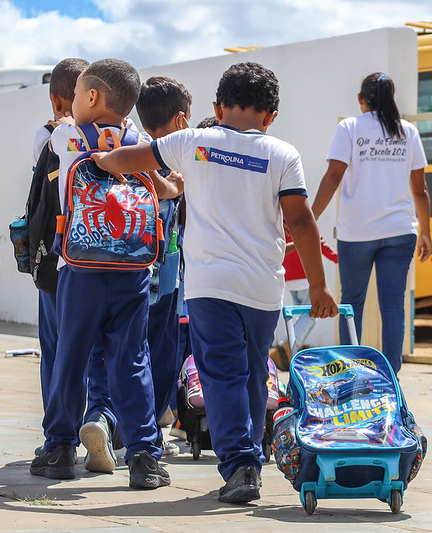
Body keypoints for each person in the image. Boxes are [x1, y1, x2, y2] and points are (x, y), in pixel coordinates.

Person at [91, 61, 339, 504]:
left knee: (220, 372)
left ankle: (241, 464)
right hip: (263, 288)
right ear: (271, 116)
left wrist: (103, 160)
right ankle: (249, 454)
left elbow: (136, 158)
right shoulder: (283, 154)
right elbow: (301, 221)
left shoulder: (194, 141)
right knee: (251, 371)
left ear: (217, 106)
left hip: (209, 286)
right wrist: (319, 287)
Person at [30, 58, 182, 490]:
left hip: (79, 269)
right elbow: (164, 187)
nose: (72, 102)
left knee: (70, 357)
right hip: (133, 268)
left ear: (92, 97)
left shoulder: (66, 135)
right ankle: (144, 457)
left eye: (78, 94)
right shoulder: (137, 140)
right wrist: (180, 184)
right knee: (132, 359)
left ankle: (59, 448)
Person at [311, 72, 432, 374]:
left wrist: (309, 218)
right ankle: (391, 377)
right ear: (391, 97)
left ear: (361, 100)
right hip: (401, 230)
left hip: (357, 232)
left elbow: (334, 176)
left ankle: (348, 372)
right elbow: (420, 189)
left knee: (351, 303)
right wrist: (426, 232)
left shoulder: (350, 127)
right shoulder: (408, 132)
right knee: (393, 305)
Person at [29, 58, 118, 468]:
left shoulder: (52, 136)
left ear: (56, 98)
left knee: (58, 349)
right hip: (118, 262)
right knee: (104, 350)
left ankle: (59, 441)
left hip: (62, 260)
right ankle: (102, 417)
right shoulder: (123, 137)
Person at [134, 75, 194, 457]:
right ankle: (150, 428)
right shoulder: (174, 160)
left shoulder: (135, 151)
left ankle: (120, 421)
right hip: (166, 282)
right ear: (180, 119)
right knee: (160, 354)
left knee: (126, 350)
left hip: (132, 275)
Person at [268, 222, 338, 370]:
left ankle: (289, 349)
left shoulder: (280, 220)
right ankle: (287, 346)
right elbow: (318, 244)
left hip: (288, 276)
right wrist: (338, 258)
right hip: (305, 277)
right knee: (311, 316)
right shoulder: (303, 219)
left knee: (300, 315)